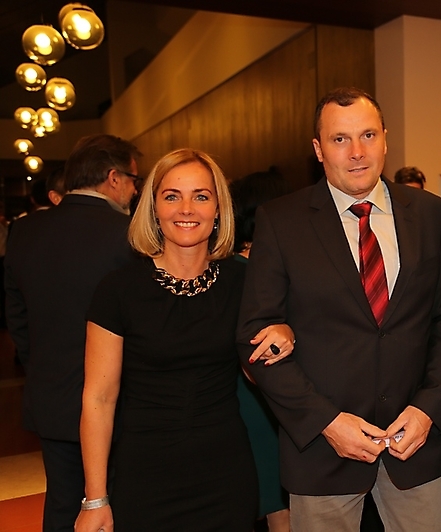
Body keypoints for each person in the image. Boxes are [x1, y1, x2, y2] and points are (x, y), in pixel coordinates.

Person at [237, 87, 441, 532]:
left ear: (385, 139)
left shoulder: (430, 214)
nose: (357, 152)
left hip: (412, 446)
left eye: (368, 135)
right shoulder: (281, 221)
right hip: (322, 451)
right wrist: (326, 423)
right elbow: (255, 340)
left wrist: (428, 409)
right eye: (340, 139)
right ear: (319, 149)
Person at [75, 149, 286, 531]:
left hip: (225, 473)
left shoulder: (244, 282)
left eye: (201, 196)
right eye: (172, 196)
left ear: (218, 209)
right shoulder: (118, 290)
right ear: (154, 208)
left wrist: (283, 334)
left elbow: (259, 375)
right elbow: (99, 399)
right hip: (145, 474)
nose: (186, 209)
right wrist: (95, 498)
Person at [4, 134, 140, 532]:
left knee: (64, 503)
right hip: (120, 402)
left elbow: (17, 318)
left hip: (51, 396)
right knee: (119, 504)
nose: (135, 190)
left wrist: (41, 368)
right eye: (133, 180)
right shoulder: (129, 235)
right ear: (114, 178)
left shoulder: (25, 231)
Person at [230, 169, 291, 532]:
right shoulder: (257, 272)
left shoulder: (229, 268)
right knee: (277, 501)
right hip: (264, 394)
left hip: (241, 396)